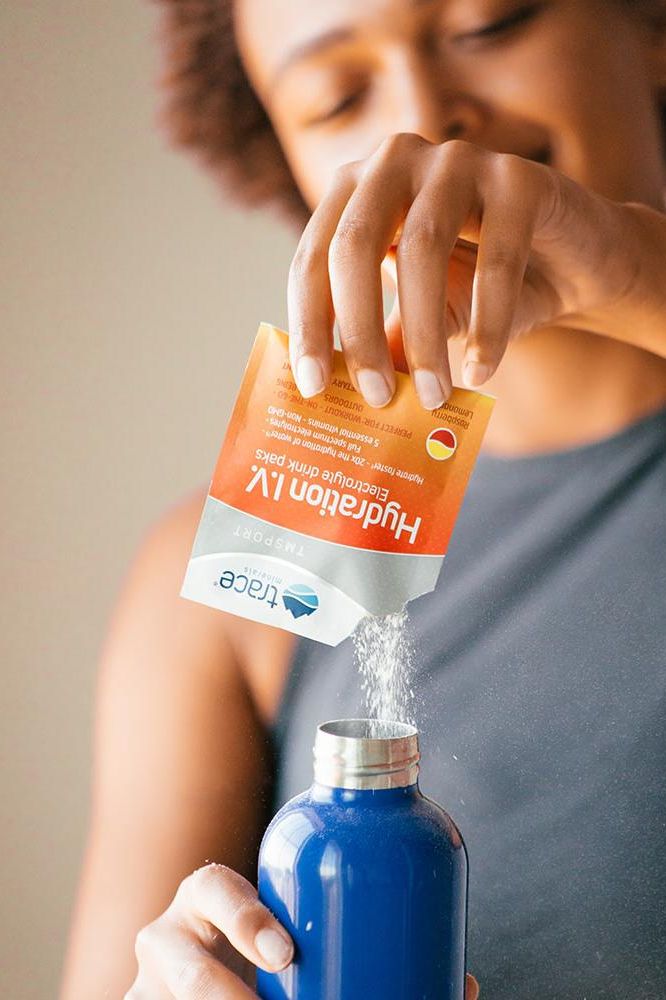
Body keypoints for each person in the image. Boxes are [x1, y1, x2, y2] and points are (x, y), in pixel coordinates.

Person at [60, 1, 666, 997]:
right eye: (338, 95)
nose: (424, 117)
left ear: (647, 23)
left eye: (488, 24)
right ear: (288, 164)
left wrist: (637, 266)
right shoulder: (224, 578)